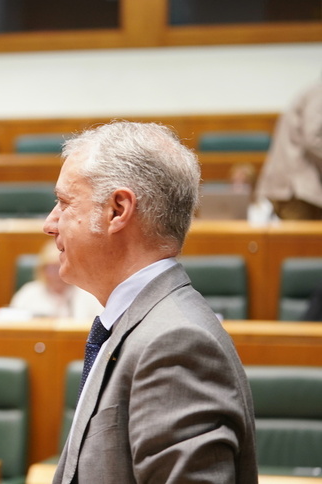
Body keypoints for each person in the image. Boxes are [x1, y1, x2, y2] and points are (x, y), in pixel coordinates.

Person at [45, 121, 257, 483]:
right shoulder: (138, 322)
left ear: (118, 209)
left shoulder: (175, 343)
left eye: (64, 203)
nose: (50, 224)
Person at [256, 79, 322, 220]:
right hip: (298, 190)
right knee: (303, 242)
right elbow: (313, 138)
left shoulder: (312, 92)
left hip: (294, 188)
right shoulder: (319, 94)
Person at [9, 240, 102, 320]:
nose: (59, 273)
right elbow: (12, 323)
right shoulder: (28, 293)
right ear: (42, 270)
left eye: (61, 267)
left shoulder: (88, 294)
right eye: (52, 268)